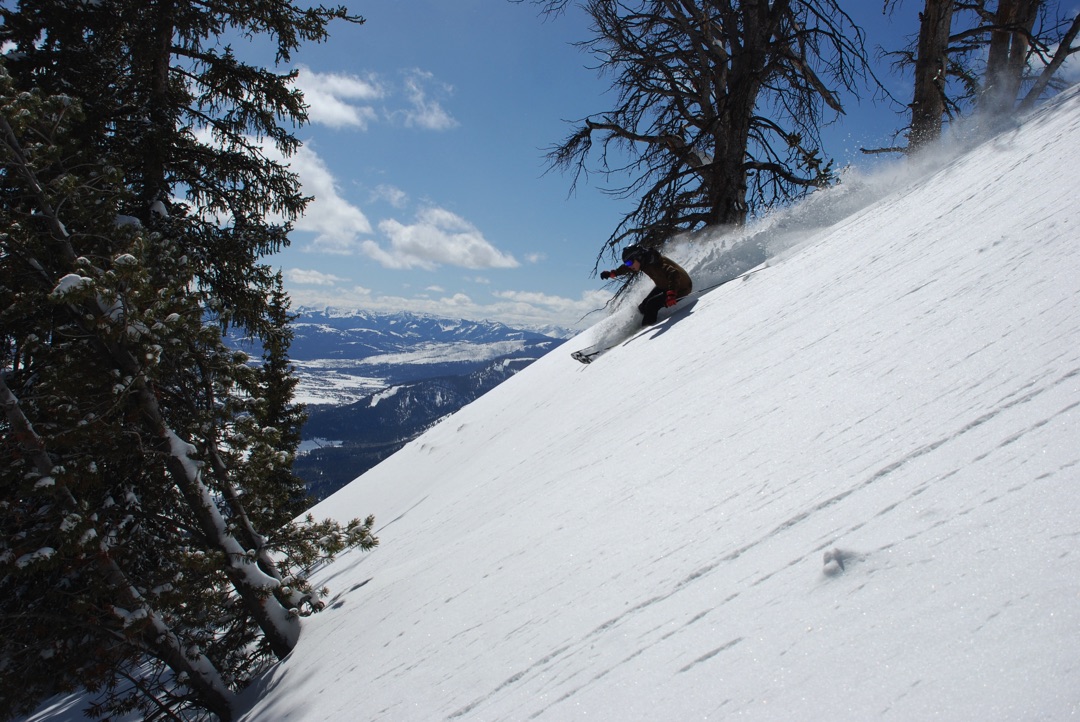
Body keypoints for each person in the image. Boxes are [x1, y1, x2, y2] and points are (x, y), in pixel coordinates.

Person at [600, 244, 693, 326]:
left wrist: (672, 293)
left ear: (638, 257)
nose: (628, 266)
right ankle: (649, 321)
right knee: (643, 307)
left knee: (651, 305)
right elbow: (626, 268)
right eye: (626, 263)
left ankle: (646, 330)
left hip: (681, 288)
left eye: (629, 262)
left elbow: (674, 273)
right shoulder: (643, 262)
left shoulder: (656, 263)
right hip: (664, 286)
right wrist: (613, 273)